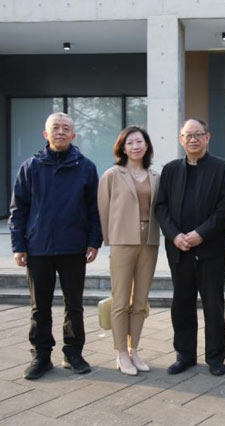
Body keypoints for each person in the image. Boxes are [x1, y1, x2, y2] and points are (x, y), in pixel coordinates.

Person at [9, 112, 102, 380]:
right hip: (38, 248)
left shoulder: (86, 167)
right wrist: (18, 246)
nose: (60, 132)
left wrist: (94, 241)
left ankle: (73, 353)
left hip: (73, 247)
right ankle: (41, 355)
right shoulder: (30, 167)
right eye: (55, 128)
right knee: (40, 306)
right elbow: (18, 210)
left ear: (73, 135)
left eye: (65, 128)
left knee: (74, 305)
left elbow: (94, 209)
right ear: (45, 134)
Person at [155, 118, 225, 376]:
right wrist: (174, 235)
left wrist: (201, 234)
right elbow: (161, 207)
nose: (193, 139)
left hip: (211, 250)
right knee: (182, 304)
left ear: (207, 137)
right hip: (179, 250)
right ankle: (185, 354)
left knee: (213, 305)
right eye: (188, 135)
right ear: (181, 139)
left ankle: (215, 357)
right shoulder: (170, 170)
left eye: (198, 134)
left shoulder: (221, 168)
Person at [98, 126, 160, 376]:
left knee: (141, 300)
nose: (135, 146)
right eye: (130, 142)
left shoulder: (155, 176)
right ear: (122, 148)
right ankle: (121, 351)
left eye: (139, 142)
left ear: (147, 146)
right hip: (123, 240)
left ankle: (134, 349)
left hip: (149, 240)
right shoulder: (113, 174)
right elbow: (103, 208)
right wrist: (108, 239)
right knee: (121, 299)